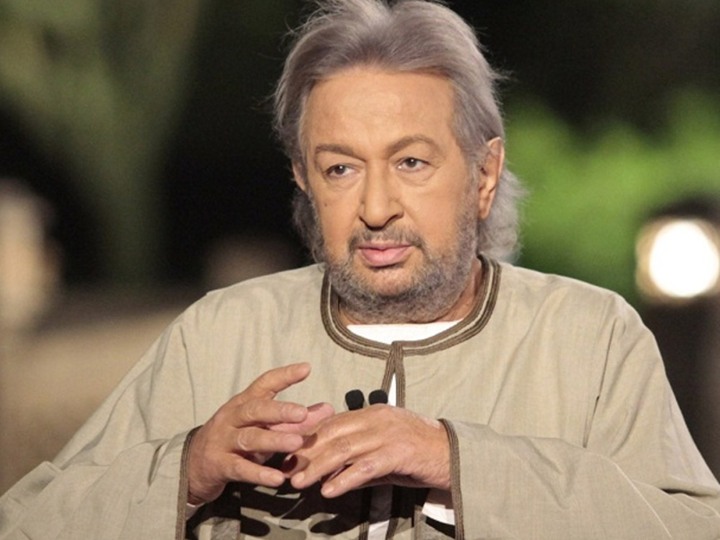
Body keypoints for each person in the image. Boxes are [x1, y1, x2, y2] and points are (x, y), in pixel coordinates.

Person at [2, 0, 720, 538]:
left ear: (483, 174)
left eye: (411, 162)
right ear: (304, 180)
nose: (375, 208)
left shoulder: (590, 338)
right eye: (341, 168)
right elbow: (28, 524)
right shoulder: (220, 334)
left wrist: (455, 460)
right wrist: (185, 472)